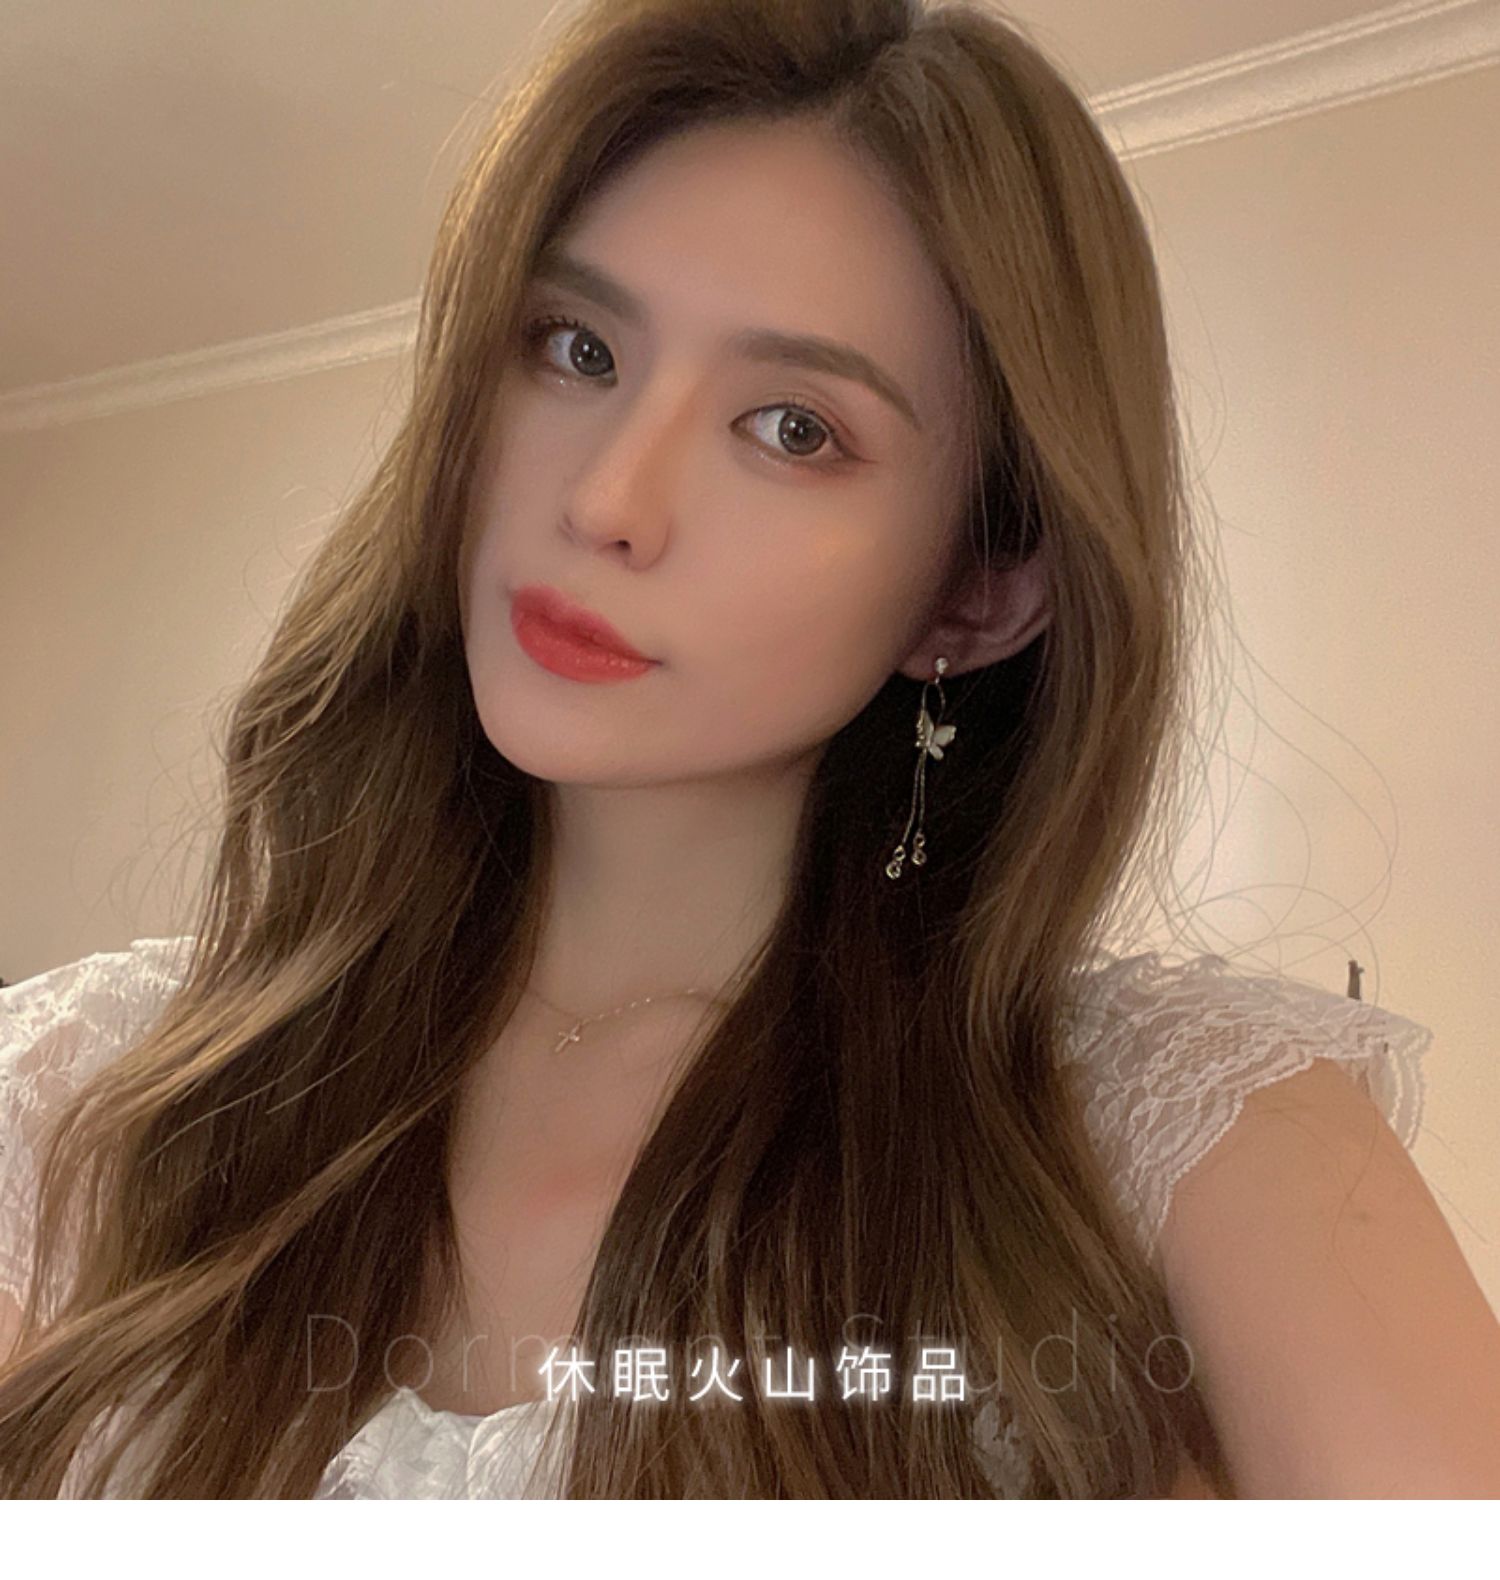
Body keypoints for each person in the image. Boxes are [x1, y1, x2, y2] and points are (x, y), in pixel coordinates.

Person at [2, 0, 1495, 1499]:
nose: (607, 499)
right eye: (577, 348)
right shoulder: (88, 1101)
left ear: (975, 593)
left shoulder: (1181, 1139)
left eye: (792, 428)